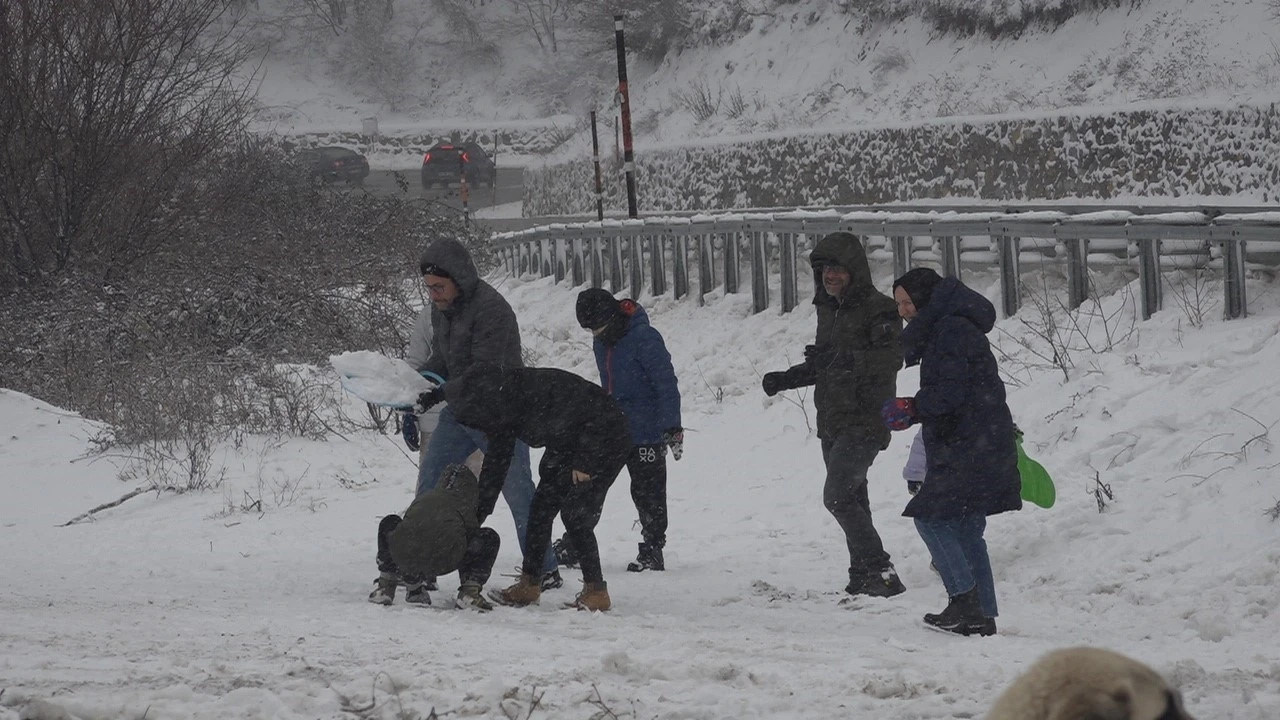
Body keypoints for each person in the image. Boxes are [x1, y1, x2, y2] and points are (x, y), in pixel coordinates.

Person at [399, 237, 559, 591]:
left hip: (502, 415)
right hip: (461, 413)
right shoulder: (442, 312)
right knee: (429, 485)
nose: (434, 295)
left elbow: (483, 373)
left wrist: (439, 390)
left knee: (519, 493)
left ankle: (543, 567)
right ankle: (422, 558)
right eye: (428, 288)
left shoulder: (492, 310)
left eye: (439, 287)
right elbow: (445, 359)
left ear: (460, 279)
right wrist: (414, 384)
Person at [760, 231, 906, 598]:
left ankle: (881, 569)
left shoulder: (880, 308)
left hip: (867, 419)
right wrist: (787, 378)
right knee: (854, 497)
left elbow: (890, 359)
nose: (831, 276)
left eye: (838, 269)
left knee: (838, 496)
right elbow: (826, 365)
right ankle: (863, 575)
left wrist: (840, 360)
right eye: (826, 270)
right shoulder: (829, 309)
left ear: (855, 270)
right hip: (833, 420)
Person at [881, 267, 1022, 636]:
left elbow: (951, 394)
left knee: (933, 519)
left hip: (968, 443)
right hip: (982, 439)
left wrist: (912, 408)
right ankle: (981, 613)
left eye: (908, 303)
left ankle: (965, 601)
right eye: (898, 304)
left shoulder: (950, 331)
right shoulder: (954, 325)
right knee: (966, 527)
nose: (904, 312)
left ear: (927, 300)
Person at [422, 363, 631, 611]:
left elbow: (594, 410)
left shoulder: (528, 391)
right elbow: (496, 466)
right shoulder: (496, 404)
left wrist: (586, 460)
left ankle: (596, 591)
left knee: (576, 515)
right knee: (540, 508)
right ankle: (530, 585)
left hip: (604, 437)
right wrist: (477, 515)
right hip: (568, 441)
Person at [554, 288, 682, 573]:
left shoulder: (645, 338)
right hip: (611, 429)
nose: (594, 334)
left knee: (649, 492)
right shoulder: (602, 341)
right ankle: (575, 542)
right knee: (590, 486)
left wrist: (672, 427)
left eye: (596, 327)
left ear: (610, 317)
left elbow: (666, 384)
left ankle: (653, 548)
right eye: (589, 330)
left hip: (647, 431)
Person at [368, 462, 499, 612]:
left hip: (406, 556)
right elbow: (470, 537)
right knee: (487, 538)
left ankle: (387, 585)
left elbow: (409, 526)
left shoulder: (426, 497)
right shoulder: (465, 506)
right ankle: (469, 591)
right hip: (444, 560)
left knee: (391, 523)